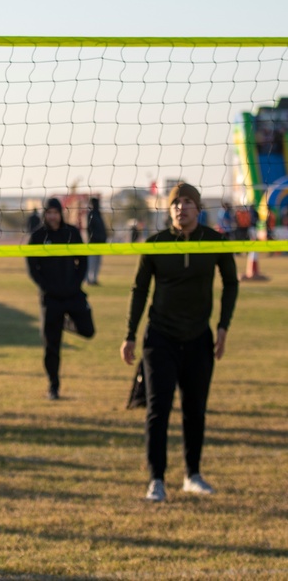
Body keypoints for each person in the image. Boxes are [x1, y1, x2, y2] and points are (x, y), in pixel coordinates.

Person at [121, 182, 238, 503]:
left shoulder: (215, 241)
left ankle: (192, 475)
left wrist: (223, 327)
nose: (180, 207)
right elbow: (139, 290)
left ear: (197, 208)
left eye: (187, 202)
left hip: (199, 337)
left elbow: (231, 283)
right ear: (169, 208)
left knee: (195, 410)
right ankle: (156, 479)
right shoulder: (156, 243)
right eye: (175, 203)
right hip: (160, 337)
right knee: (158, 410)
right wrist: (130, 334)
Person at [26, 197, 95, 400]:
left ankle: (67, 323)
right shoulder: (38, 236)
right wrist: (46, 287)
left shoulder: (71, 232)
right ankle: (53, 386)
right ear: (45, 214)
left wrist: (76, 283)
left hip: (73, 294)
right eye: (49, 212)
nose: (52, 216)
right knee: (51, 347)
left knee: (88, 330)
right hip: (51, 299)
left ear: (60, 213)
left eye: (55, 212)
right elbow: (32, 267)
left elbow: (82, 260)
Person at [86, 197, 108, 285]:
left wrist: (104, 238)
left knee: (97, 262)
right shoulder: (91, 214)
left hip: (100, 243)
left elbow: (102, 229)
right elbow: (89, 229)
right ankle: (89, 280)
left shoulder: (98, 214)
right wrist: (92, 238)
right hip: (93, 243)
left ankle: (94, 279)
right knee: (91, 262)